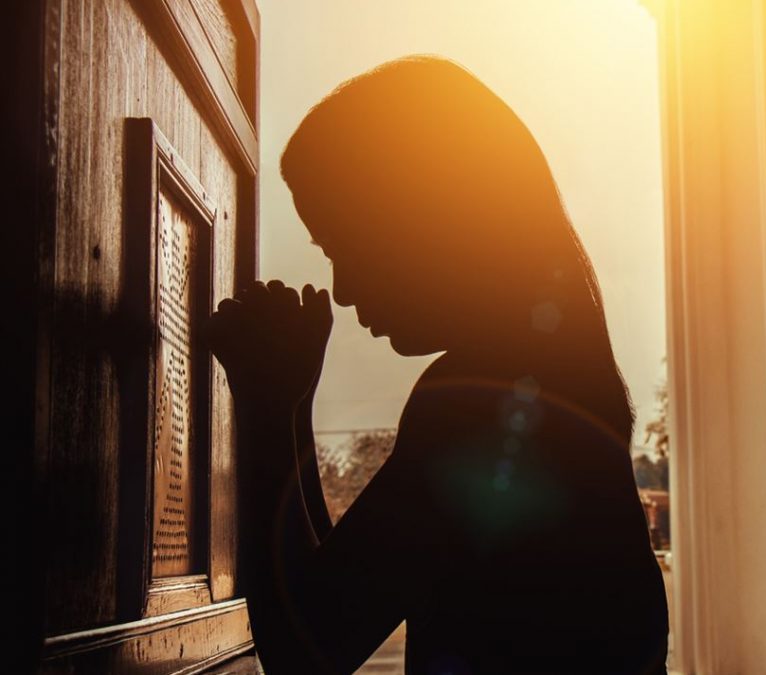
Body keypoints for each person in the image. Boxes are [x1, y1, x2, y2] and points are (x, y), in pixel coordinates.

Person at [205, 54, 669, 675]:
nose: (340, 289)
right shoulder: (548, 379)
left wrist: (267, 407)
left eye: (346, 245)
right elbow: (331, 589)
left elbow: (307, 652)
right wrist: (289, 406)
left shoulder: (477, 402)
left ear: (421, 224)